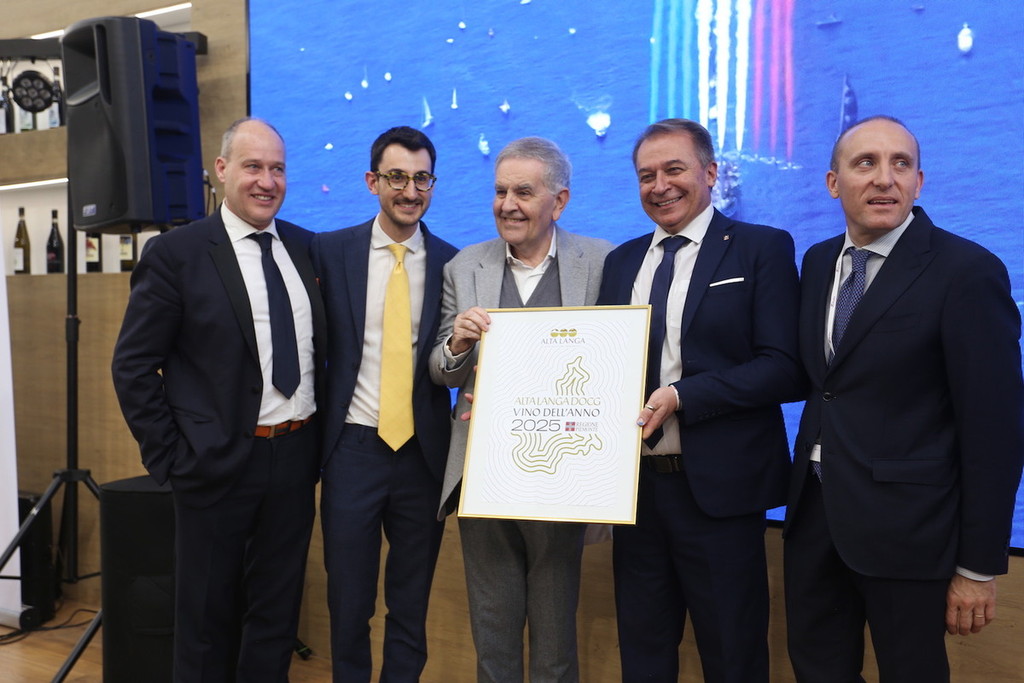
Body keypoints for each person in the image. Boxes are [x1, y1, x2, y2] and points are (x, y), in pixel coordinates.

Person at [783, 115, 1024, 682]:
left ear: (919, 181)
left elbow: (995, 431)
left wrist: (977, 566)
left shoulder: (967, 272)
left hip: (911, 532)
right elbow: (828, 384)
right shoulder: (817, 262)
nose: (884, 178)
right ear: (833, 183)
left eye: (901, 164)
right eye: (865, 163)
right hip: (814, 518)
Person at [111, 117, 326, 681]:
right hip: (213, 466)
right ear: (222, 169)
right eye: (253, 166)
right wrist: (173, 458)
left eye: (278, 169)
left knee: (276, 615)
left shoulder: (307, 248)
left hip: (294, 458)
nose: (267, 181)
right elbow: (133, 366)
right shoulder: (176, 254)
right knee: (205, 620)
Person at [597, 118, 804, 682]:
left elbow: (785, 368)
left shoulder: (761, 248)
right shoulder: (621, 262)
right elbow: (601, 367)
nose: (660, 185)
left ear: (710, 173)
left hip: (720, 496)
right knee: (643, 657)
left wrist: (683, 395)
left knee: (733, 658)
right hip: (636, 496)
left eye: (674, 170)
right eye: (646, 175)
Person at [430, 137, 611, 682]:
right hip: (482, 475)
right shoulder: (464, 266)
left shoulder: (602, 262)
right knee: (493, 637)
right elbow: (441, 369)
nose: (507, 204)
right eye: (500, 191)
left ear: (559, 202)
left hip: (561, 478)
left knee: (555, 643)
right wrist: (458, 344)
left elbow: (618, 362)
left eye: (523, 192)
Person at [312, 126, 457, 681]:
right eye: (397, 177)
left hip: (423, 456)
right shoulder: (329, 252)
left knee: (410, 607)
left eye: (422, 179)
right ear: (373, 181)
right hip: (352, 450)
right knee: (349, 604)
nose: (410, 191)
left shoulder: (452, 263)